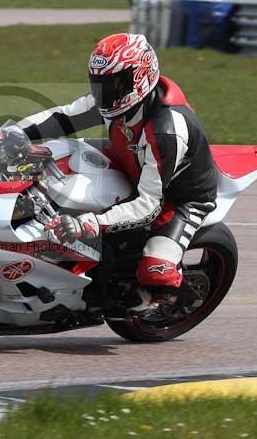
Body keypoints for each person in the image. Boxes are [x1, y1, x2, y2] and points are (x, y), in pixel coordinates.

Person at [17, 33, 219, 312]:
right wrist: (12, 134)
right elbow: (62, 119)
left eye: (115, 84)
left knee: (154, 270)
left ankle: (168, 296)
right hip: (131, 162)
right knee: (54, 158)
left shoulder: (165, 129)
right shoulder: (117, 101)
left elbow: (149, 205)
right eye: (99, 84)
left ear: (141, 77)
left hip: (177, 198)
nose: (105, 93)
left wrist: (89, 223)